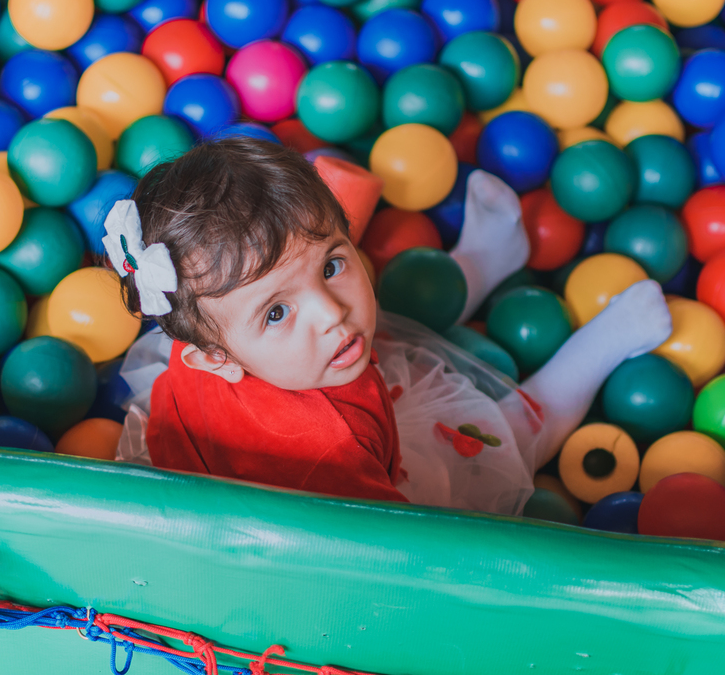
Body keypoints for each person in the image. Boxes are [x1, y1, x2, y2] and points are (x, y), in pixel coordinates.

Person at [105, 138, 672, 516]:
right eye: (276, 312)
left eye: (333, 263)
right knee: (502, 439)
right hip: (361, 493)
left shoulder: (211, 329)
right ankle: (600, 346)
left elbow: (295, 286)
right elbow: (397, 560)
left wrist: (290, 298)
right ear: (216, 359)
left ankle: (484, 260)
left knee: (380, 316)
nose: (331, 312)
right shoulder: (332, 458)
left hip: (294, 398)